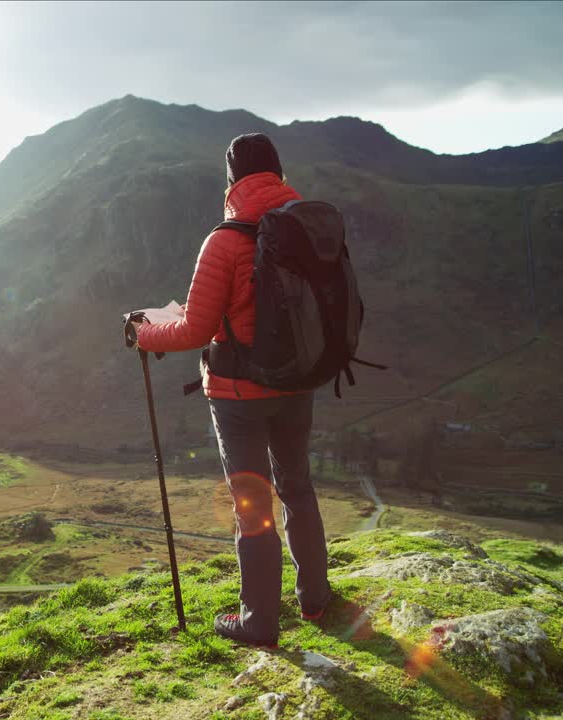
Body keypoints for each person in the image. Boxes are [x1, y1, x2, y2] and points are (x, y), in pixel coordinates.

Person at [131, 133, 331, 647]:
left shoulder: (224, 241)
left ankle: (259, 622)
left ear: (232, 180)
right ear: (279, 174)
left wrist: (145, 331)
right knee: (298, 488)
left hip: (239, 397)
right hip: (297, 383)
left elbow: (197, 330)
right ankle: (316, 599)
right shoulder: (307, 230)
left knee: (252, 504)